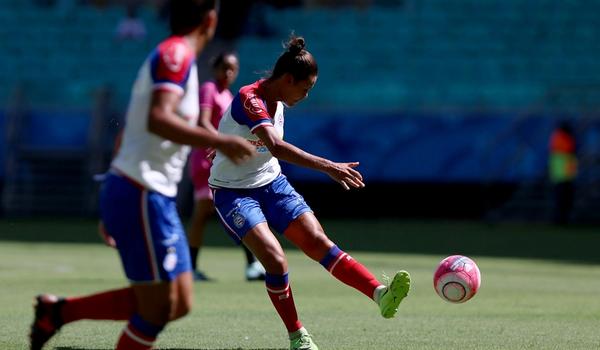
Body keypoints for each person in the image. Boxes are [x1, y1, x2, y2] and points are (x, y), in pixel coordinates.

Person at [29, 1, 255, 350]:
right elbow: (157, 118)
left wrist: (111, 190)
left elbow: (130, 130)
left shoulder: (182, 61)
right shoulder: (175, 54)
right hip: (140, 190)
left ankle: (57, 313)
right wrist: (220, 141)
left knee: (178, 302)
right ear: (210, 19)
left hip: (146, 193)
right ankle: (57, 314)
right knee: (159, 307)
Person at [208, 35, 411, 350]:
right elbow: (274, 146)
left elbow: (257, 147)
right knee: (275, 261)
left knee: (318, 243)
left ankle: (380, 294)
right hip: (233, 193)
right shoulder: (252, 98)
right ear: (288, 79)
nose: (306, 95)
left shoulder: (280, 99)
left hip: (271, 183)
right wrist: (328, 166)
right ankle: (297, 336)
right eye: (305, 88)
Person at [187, 51, 266, 281]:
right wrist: (223, 144)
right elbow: (202, 122)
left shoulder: (227, 94)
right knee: (205, 213)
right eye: (225, 68)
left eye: (233, 68)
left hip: (220, 159)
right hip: (206, 160)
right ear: (216, 69)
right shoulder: (209, 89)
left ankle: (250, 265)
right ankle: (189, 268)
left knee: (230, 210)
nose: (229, 73)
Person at [548, 120, 578, 225]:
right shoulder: (561, 138)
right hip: (562, 175)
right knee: (562, 199)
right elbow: (569, 149)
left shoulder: (560, 137)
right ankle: (560, 219)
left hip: (565, 174)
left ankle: (562, 218)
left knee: (565, 199)